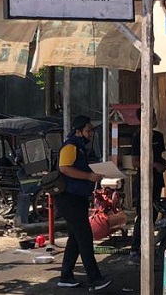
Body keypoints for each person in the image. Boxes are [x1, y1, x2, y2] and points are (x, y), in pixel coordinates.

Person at [54, 115, 112, 292]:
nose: (90, 133)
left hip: (76, 198)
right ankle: (95, 279)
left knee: (75, 237)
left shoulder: (79, 147)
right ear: (78, 131)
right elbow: (64, 168)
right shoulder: (70, 146)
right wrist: (88, 176)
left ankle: (66, 277)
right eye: (88, 130)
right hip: (68, 199)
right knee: (85, 237)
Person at [129, 109, 166, 263]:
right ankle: (135, 249)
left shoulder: (158, 136)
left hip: (157, 180)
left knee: (154, 213)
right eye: (152, 116)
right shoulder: (138, 137)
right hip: (144, 181)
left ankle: (146, 246)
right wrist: (154, 165)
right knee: (143, 215)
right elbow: (135, 162)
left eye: (154, 116)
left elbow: (159, 158)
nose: (154, 119)